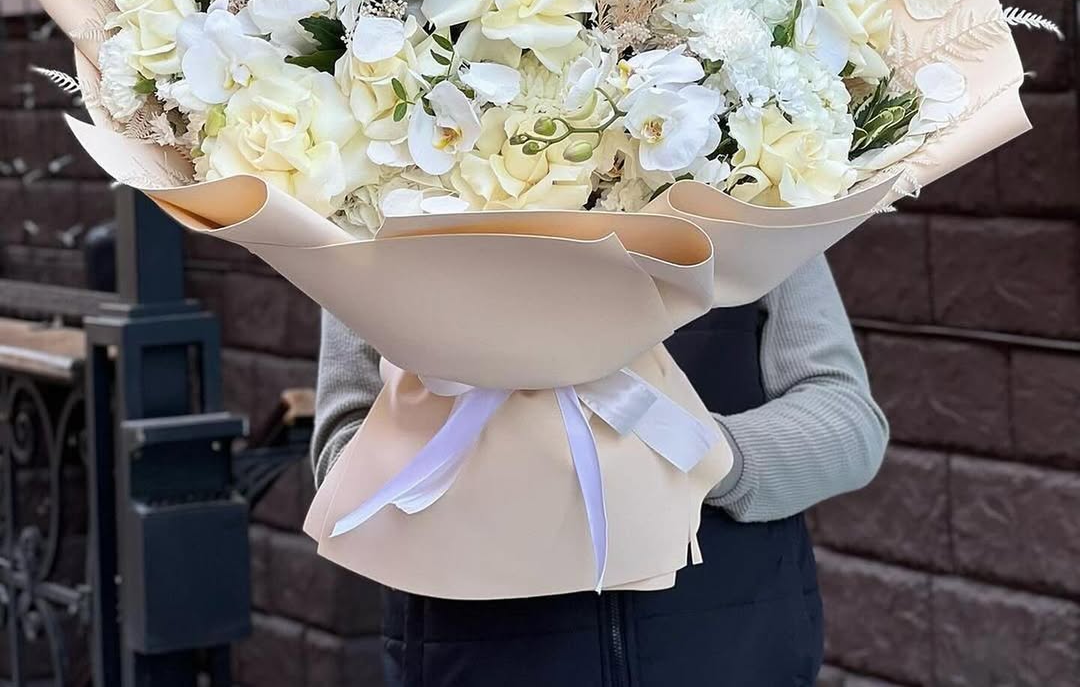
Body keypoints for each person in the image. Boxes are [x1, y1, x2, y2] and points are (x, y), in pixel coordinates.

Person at [312, 253, 887, 686]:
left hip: (735, 649)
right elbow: (342, 456)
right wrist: (527, 443)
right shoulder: (390, 190)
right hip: (479, 658)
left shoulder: (748, 171)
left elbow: (849, 422)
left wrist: (697, 454)